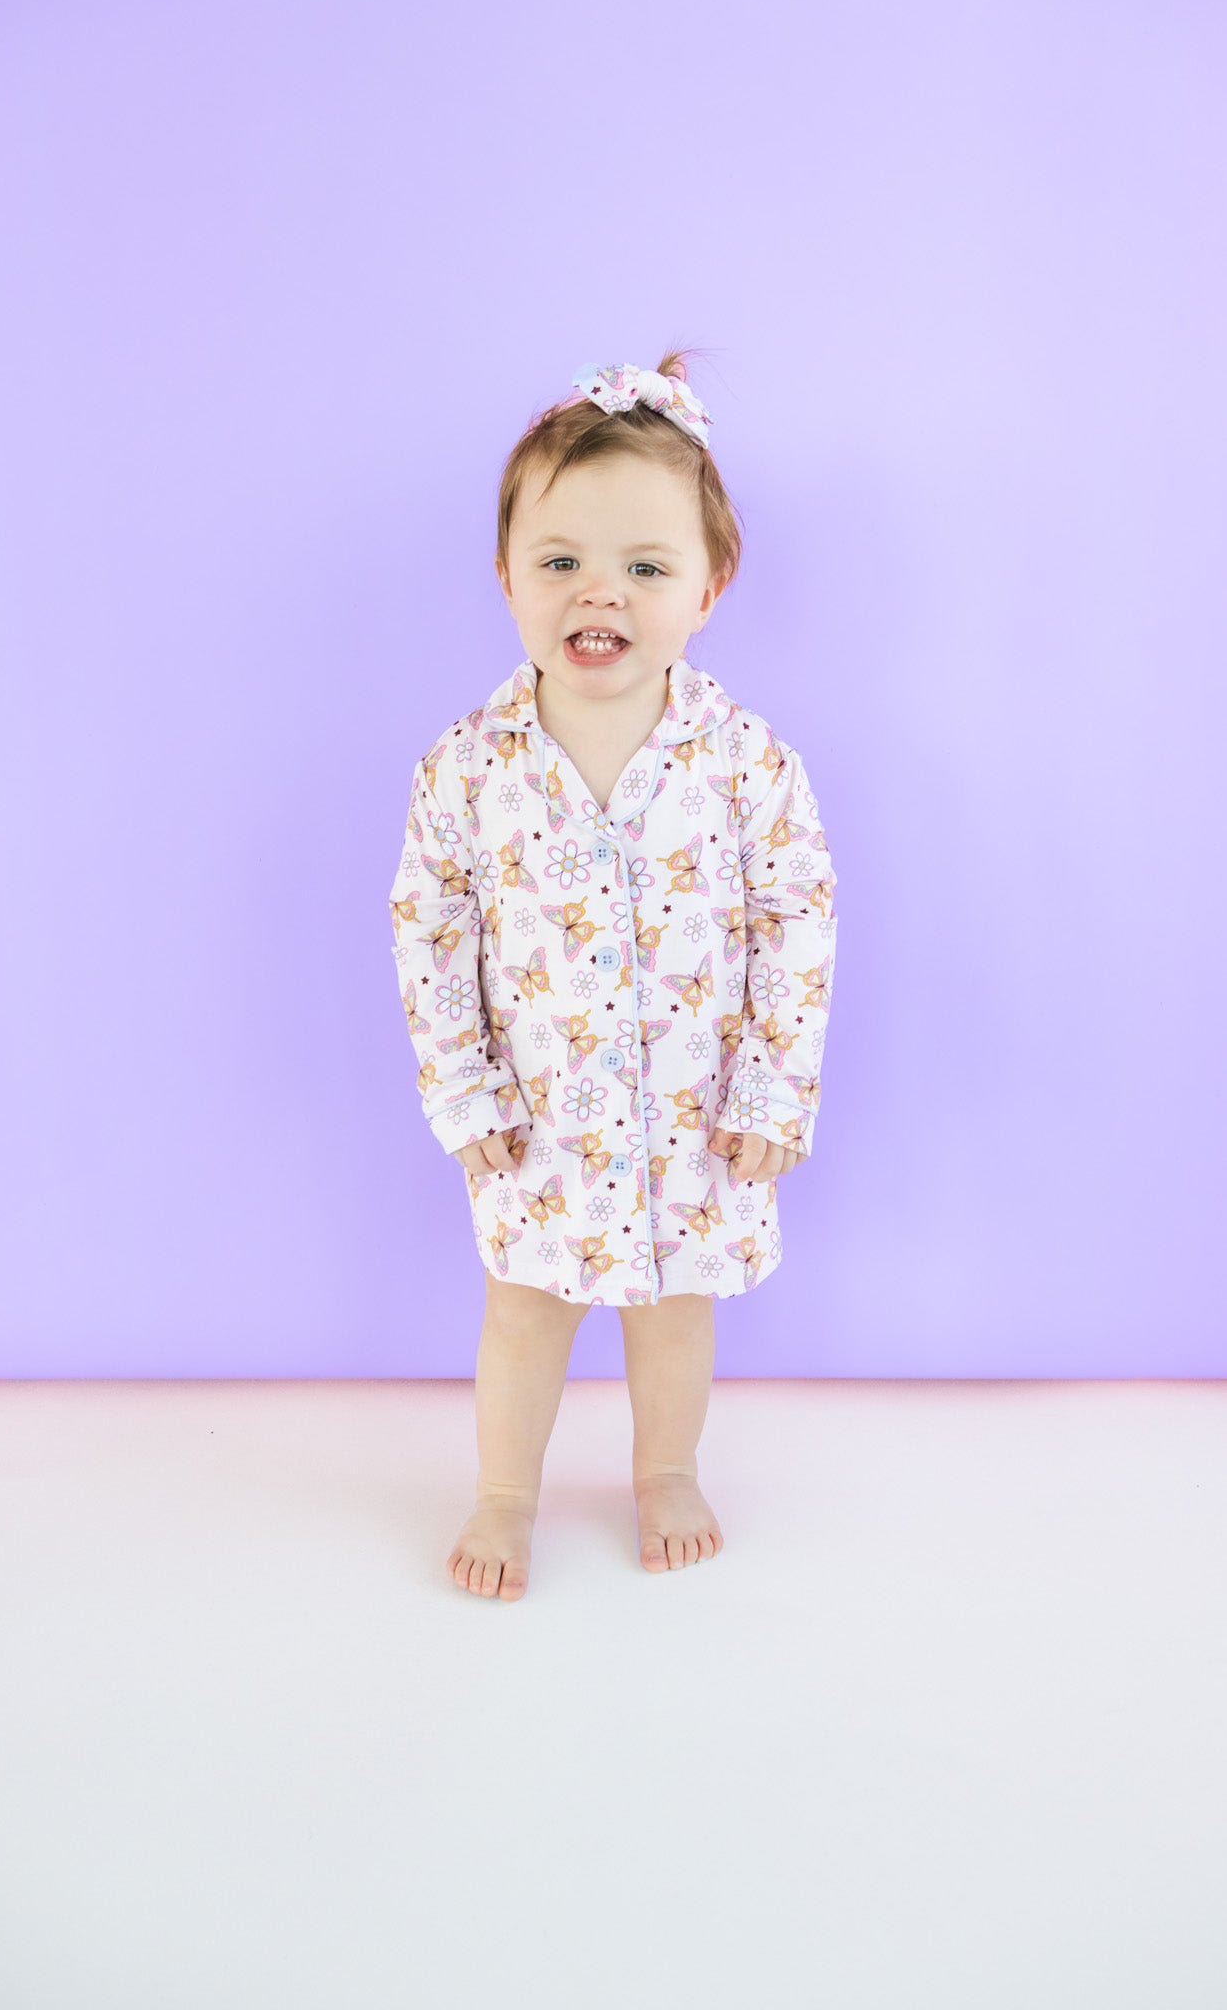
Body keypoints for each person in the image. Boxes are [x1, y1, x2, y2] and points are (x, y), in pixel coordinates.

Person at [388, 353, 838, 1601]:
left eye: (646, 567)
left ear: (709, 587)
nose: (602, 592)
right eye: (562, 561)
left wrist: (772, 1089)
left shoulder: (746, 762)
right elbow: (430, 930)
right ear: (506, 574)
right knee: (523, 1309)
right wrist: (463, 1089)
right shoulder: (467, 767)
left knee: (676, 1308)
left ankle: (665, 1468)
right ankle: (505, 1490)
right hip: (537, 1118)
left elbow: (798, 918)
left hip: (697, 1116)